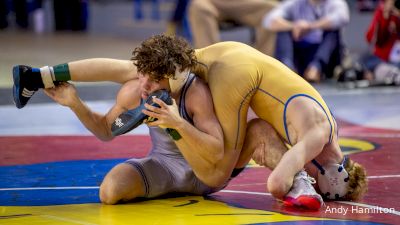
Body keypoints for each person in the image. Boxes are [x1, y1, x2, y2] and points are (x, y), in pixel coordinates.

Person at [13, 36, 367, 210]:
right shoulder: (143, 85)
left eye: (151, 80)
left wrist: (176, 124)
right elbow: (107, 131)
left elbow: (216, 163)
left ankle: (299, 183)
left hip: (206, 168)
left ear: (170, 76)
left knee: (255, 133)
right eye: (142, 78)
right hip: (165, 167)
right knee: (110, 192)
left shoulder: (200, 94)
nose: (143, 86)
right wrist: (75, 103)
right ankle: (38, 75)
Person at [263, 0, 350, 82]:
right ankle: (288, 68)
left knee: (333, 31)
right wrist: (294, 26)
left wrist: (310, 27)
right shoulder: (295, 3)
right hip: (301, 53)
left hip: (326, 58)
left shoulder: (335, 3)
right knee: (282, 30)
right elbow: (268, 20)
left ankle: (315, 69)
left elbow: (342, 18)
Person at [188, 0, 278, 56]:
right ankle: (208, 62)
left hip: (243, 3)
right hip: (212, 2)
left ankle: (262, 63)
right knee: (198, 6)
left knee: (272, 9)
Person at [362, 0, 400, 86]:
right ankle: (390, 74)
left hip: (396, 58)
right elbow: (370, 38)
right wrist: (385, 17)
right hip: (381, 58)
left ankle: (390, 74)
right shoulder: (381, 10)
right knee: (369, 63)